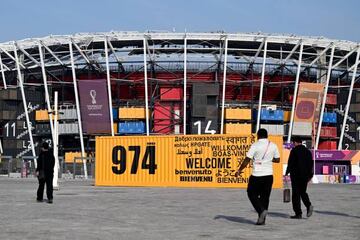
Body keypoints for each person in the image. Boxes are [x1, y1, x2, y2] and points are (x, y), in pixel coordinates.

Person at [236, 128, 280, 225]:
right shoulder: (273, 145)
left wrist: (239, 170)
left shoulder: (255, 145)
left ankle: (261, 211)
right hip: (269, 175)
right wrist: (267, 160)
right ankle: (262, 220)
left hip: (257, 175)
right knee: (265, 197)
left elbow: (247, 159)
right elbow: (277, 160)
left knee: (251, 193)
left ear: (258, 135)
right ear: (267, 135)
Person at [285, 136, 314, 219]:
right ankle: (308, 205)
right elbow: (310, 164)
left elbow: (290, 162)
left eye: (293, 143)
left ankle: (298, 213)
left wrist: (287, 172)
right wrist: (310, 175)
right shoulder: (308, 151)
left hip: (296, 175)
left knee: (296, 194)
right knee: (303, 192)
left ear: (295, 142)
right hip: (305, 176)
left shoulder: (294, 151)